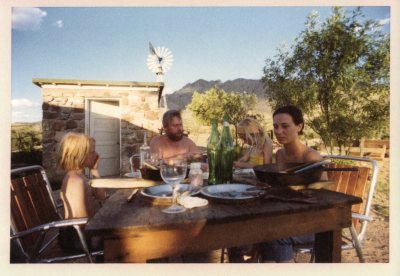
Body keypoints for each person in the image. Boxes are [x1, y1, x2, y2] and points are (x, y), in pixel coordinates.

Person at [259, 105, 323, 263]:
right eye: (275, 126)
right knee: (257, 228)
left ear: (299, 126)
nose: (279, 131)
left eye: (285, 126)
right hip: (289, 216)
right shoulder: (280, 154)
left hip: (317, 223)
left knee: (274, 234)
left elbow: (325, 194)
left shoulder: (311, 157)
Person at [57, 133, 107, 253]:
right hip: (78, 238)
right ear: (80, 155)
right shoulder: (75, 181)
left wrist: (95, 171)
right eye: (92, 152)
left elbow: (102, 196)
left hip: (84, 232)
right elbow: (81, 219)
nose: (96, 155)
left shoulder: (81, 176)